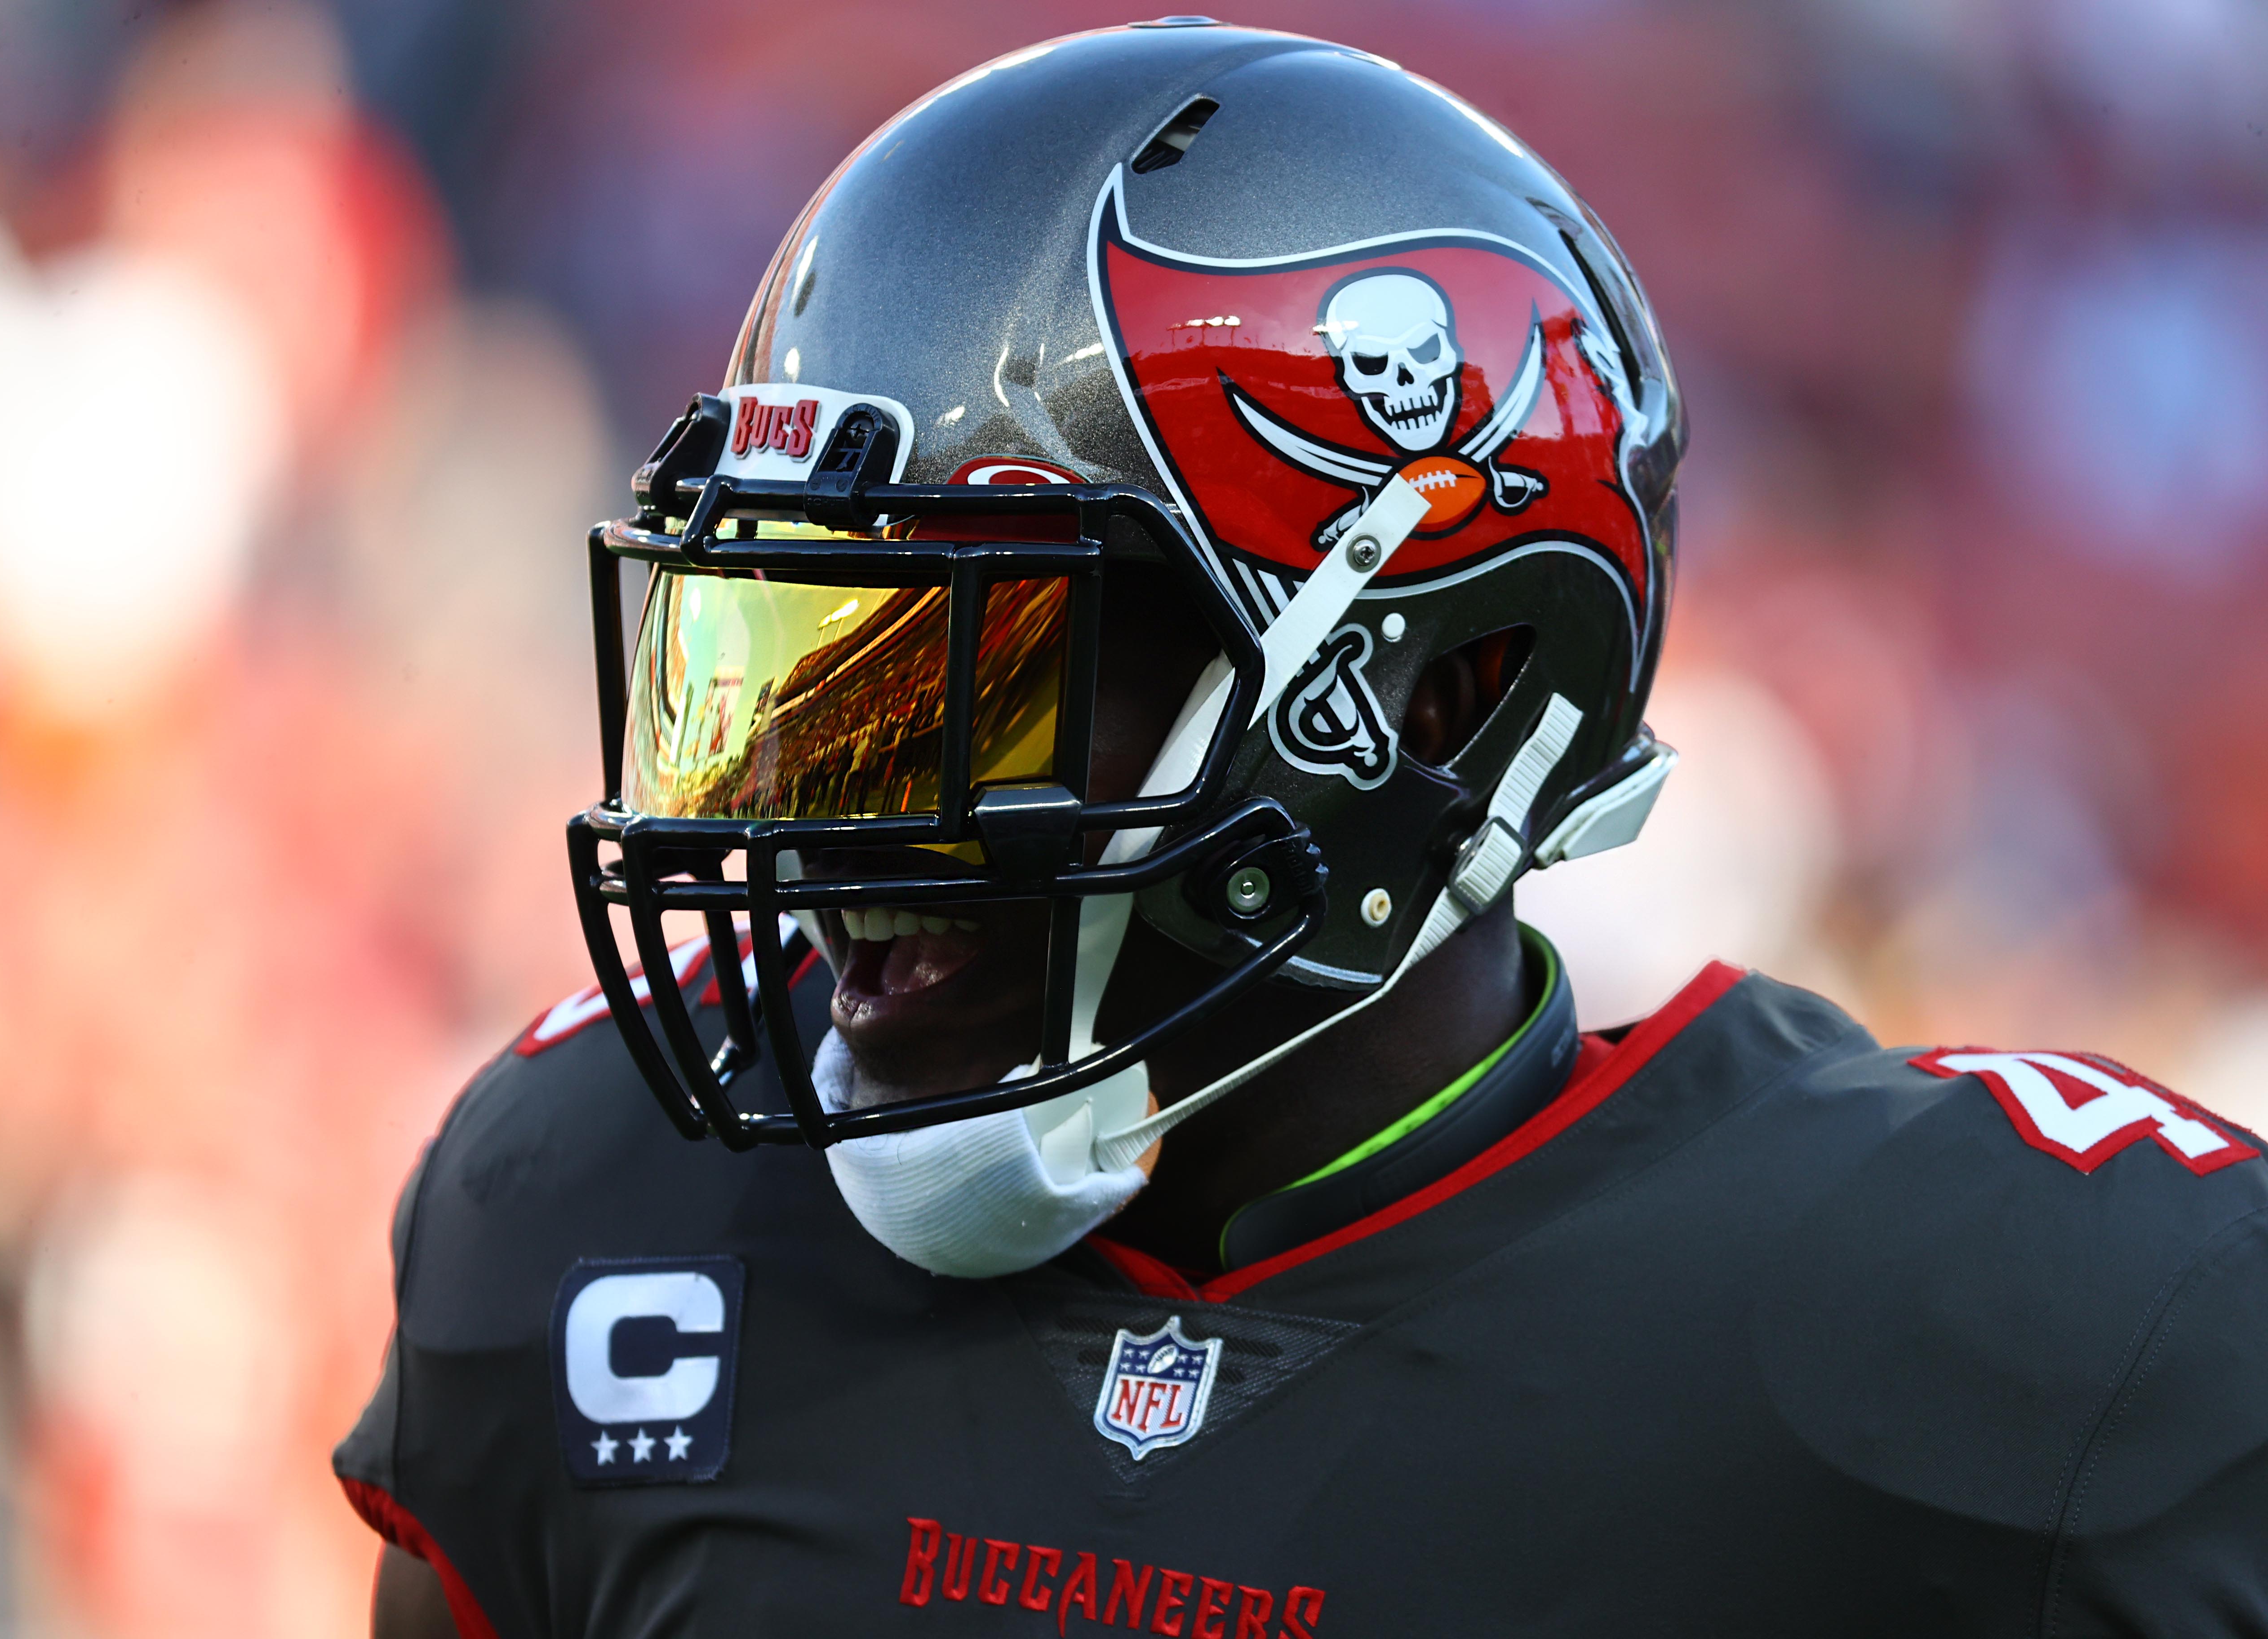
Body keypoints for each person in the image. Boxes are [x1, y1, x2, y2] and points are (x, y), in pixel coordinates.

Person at [343, 21, 2268, 1638]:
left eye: (954, 693)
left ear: (1427, 698)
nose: (810, 819)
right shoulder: (599, 1210)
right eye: (794, 675)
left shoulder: (2014, 1326)